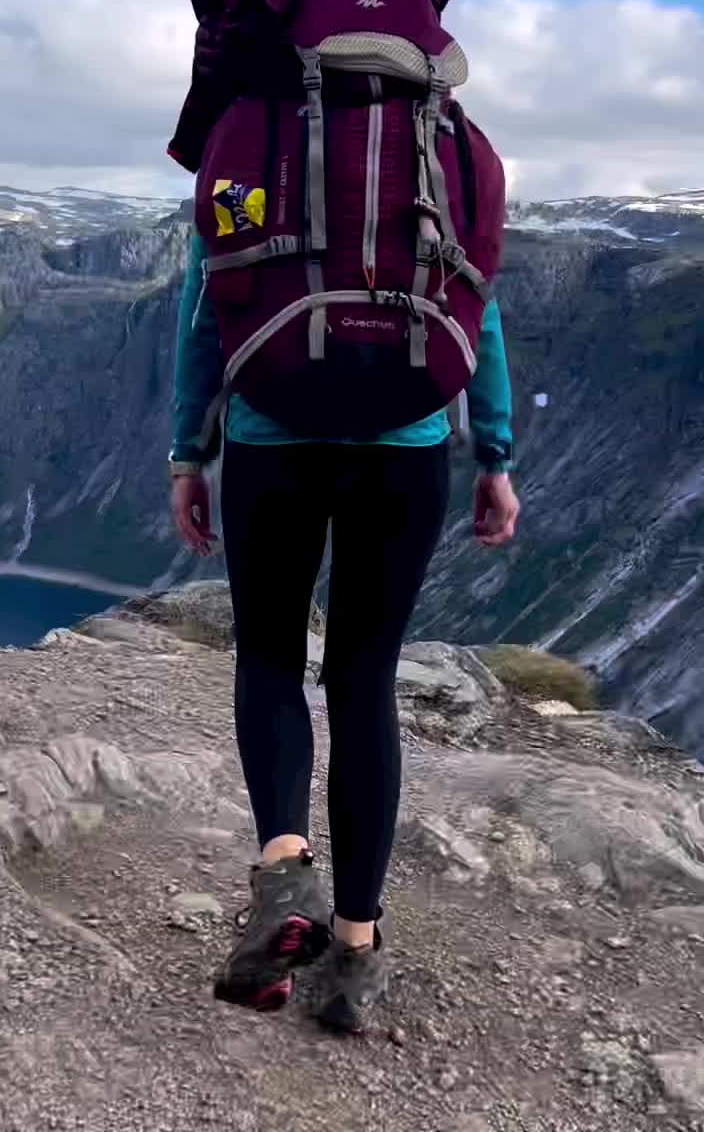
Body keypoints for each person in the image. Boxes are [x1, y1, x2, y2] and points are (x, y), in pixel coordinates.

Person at [168, 232, 517, 1032]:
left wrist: (189, 452)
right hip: (404, 449)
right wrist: (495, 455)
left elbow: (203, 311)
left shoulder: (250, 140)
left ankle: (286, 878)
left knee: (268, 660)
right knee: (363, 683)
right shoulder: (444, 142)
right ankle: (355, 956)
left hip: (271, 443)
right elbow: (479, 308)